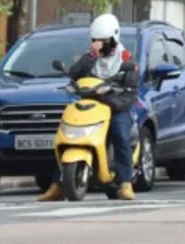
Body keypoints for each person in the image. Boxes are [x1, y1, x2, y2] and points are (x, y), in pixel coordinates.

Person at [37, 13, 140, 202]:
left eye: (103, 41)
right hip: (89, 104)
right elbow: (74, 74)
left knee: (120, 134)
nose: (99, 44)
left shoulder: (126, 59)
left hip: (115, 107)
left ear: (114, 38)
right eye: (95, 41)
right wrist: (91, 56)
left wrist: (111, 100)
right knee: (65, 132)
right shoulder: (90, 56)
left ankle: (126, 182)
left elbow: (130, 93)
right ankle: (57, 184)